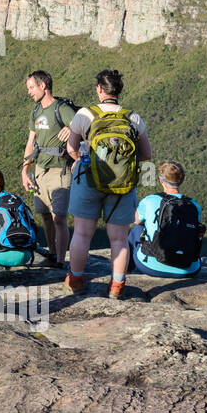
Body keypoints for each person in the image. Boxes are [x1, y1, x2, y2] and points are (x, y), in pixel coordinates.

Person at [64, 69, 153, 299]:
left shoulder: (85, 114)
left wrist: (85, 159)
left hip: (88, 179)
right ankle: (117, 286)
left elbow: (71, 148)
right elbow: (146, 154)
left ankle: (76, 279)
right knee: (119, 238)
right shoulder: (133, 117)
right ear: (119, 91)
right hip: (123, 183)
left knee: (83, 234)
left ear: (100, 90)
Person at [22, 70, 76, 269]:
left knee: (59, 217)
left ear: (43, 85)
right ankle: (52, 254)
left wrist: (72, 129)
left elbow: (86, 125)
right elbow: (30, 143)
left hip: (60, 171)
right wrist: (25, 171)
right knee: (44, 214)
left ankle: (61, 261)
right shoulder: (36, 112)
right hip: (40, 171)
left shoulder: (61, 108)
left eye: (31, 87)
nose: (29, 92)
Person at [129, 161, 203, 278]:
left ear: (161, 180)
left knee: (136, 229)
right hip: (189, 269)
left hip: (153, 267)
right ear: (181, 180)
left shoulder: (150, 200)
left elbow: (135, 221)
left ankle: (127, 269)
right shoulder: (194, 205)